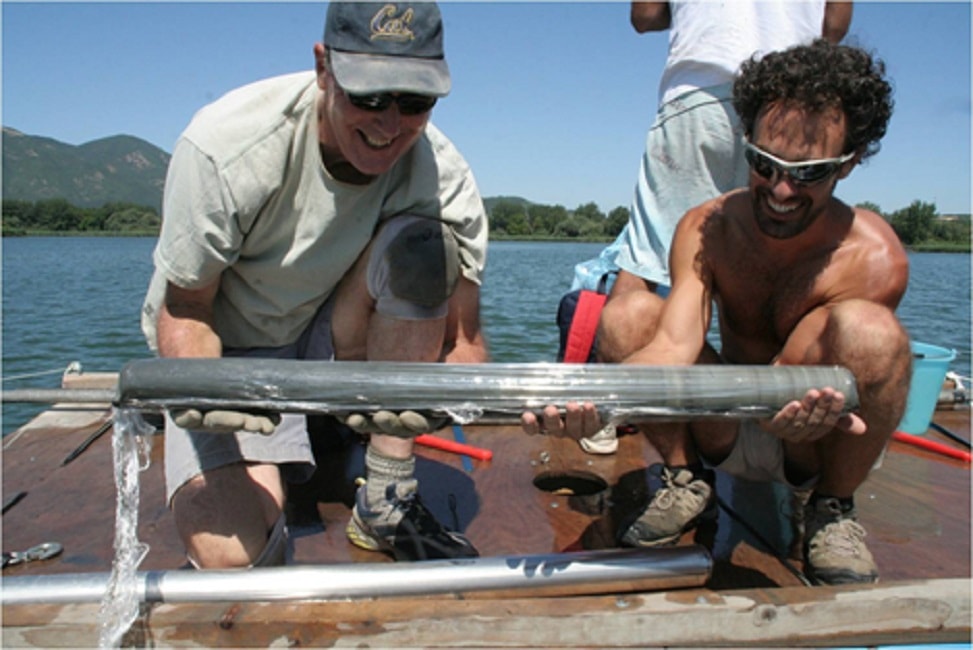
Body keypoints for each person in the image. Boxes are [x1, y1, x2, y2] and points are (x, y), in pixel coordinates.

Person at [525, 39, 910, 586]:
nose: (780, 190)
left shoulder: (876, 258)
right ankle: (687, 480)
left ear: (848, 163)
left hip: (809, 434)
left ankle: (831, 508)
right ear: (745, 141)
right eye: (763, 163)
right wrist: (587, 396)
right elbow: (672, 345)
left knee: (876, 334)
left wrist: (789, 408)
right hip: (724, 422)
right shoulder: (707, 227)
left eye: (808, 173)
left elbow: (825, 361)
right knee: (627, 315)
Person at [141, 1, 489, 568]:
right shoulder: (227, 150)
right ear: (324, 69)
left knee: (423, 244)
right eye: (368, 96)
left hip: (335, 340)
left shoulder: (442, 176)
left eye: (415, 101)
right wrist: (204, 388)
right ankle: (255, 448)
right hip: (232, 354)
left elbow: (465, 341)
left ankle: (387, 493)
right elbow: (185, 306)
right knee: (232, 557)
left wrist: (446, 396)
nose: (389, 124)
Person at [589, 0, 853, 363]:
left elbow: (645, 15)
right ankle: (757, 394)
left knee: (643, 270)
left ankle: (619, 384)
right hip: (793, 103)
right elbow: (834, 26)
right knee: (757, 270)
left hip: (700, 86)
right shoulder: (873, 253)